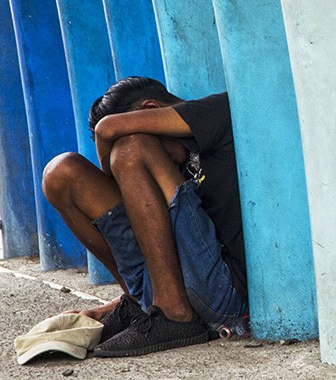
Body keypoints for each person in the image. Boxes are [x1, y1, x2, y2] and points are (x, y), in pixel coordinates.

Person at [42, 76, 248, 357]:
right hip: (177, 281)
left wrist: (112, 144)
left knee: (131, 150)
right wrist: (110, 307)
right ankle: (140, 303)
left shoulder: (219, 110)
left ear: (151, 109)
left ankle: (174, 315)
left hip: (223, 294)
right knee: (61, 172)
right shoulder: (171, 157)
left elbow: (109, 128)